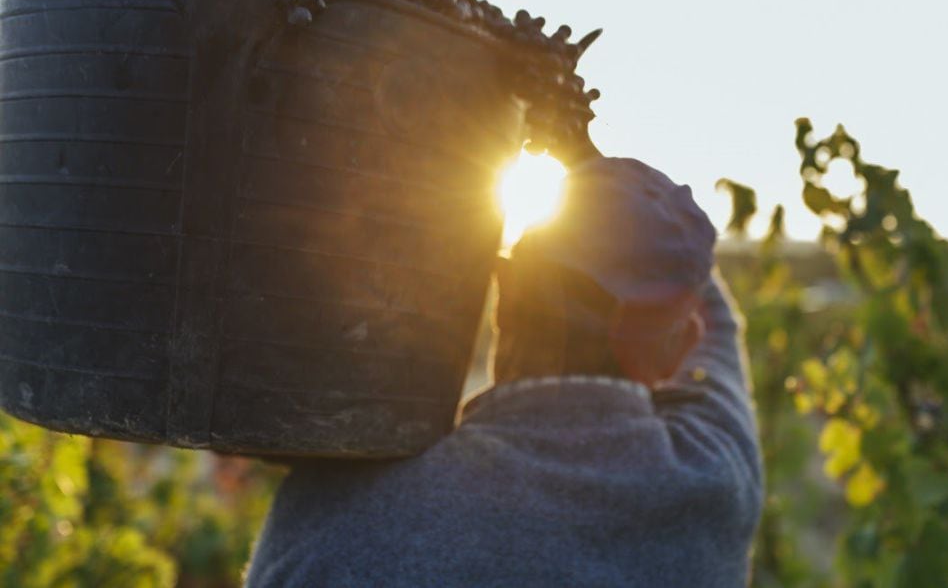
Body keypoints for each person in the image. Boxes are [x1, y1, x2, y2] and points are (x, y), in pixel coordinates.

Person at [244, 150, 763, 588]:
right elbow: (715, 329)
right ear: (680, 345)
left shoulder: (335, 516)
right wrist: (594, 162)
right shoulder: (712, 486)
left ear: (502, 302)